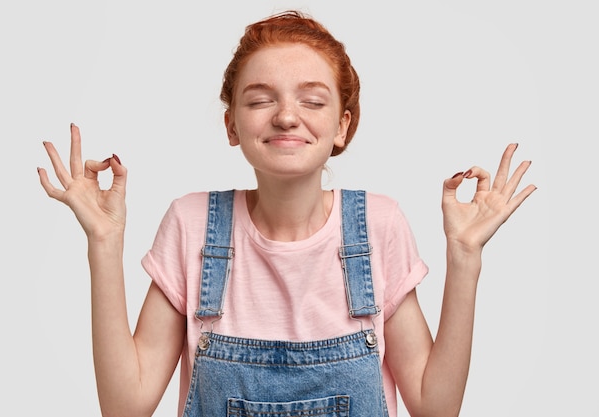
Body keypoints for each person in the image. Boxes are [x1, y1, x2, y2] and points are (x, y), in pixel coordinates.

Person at [37, 10, 536, 417]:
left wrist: (465, 255)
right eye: (260, 99)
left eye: (312, 100)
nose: (286, 115)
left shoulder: (379, 225)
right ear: (232, 124)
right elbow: (125, 407)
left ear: (343, 125)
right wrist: (103, 243)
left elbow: (435, 406)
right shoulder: (191, 225)